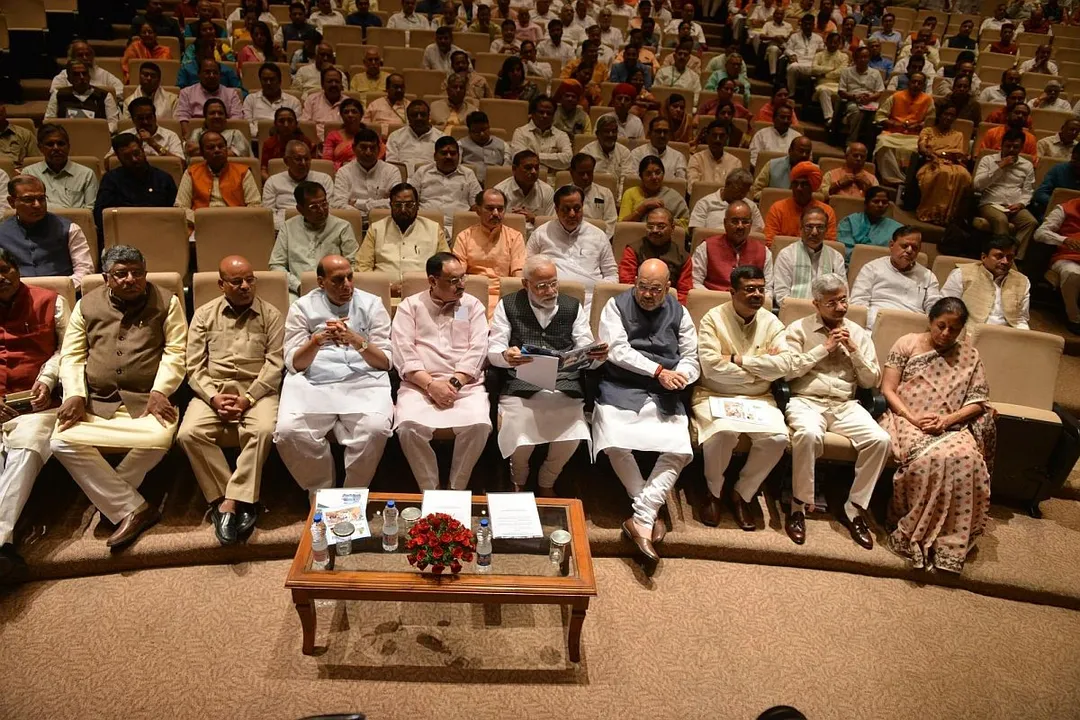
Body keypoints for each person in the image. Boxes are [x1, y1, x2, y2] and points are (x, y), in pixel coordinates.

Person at [51, 246, 186, 550]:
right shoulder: (87, 304)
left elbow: (176, 351)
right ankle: (134, 508)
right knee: (60, 441)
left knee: (158, 441)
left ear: (145, 273)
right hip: (98, 401)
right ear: (106, 277)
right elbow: (72, 355)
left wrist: (161, 390)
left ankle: (116, 502)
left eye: (137, 272)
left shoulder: (167, 301)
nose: (130, 279)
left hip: (147, 398)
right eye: (121, 274)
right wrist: (74, 394)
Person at [594, 259, 699, 568]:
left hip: (665, 390)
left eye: (655, 289)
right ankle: (649, 512)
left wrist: (681, 375)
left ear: (668, 288)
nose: (647, 294)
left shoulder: (680, 312)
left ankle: (642, 515)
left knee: (679, 447)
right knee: (612, 437)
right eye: (642, 286)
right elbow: (617, 350)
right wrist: (658, 371)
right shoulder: (616, 305)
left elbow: (691, 356)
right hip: (622, 385)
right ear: (635, 282)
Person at [880, 297, 994, 574]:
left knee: (968, 460)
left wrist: (946, 420)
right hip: (907, 418)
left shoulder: (969, 355)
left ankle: (948, 543)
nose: (945, 334)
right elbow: (888, 390)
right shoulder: (907, 344)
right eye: (940, 326)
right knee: (929, 460)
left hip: (950, 423)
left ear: (961, 330)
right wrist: (912, 418)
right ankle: (912, 530)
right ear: (930, 321)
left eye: (952, 330)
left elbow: (978, 401)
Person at [778, 273, 889, 547]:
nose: (841, 308)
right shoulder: (797, 330)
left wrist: (853, 350)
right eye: (832, 303)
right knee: (807, 434)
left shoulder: (859, 334)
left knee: (881, 440)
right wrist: (824, 349)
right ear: (816, 304)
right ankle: (798, 505)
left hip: (844, 404)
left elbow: (870, 381)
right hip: (806, 399)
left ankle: (855, 508)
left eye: (843, 300)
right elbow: (787, 371)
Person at [177, 255, 282, 544]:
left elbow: (275, 365)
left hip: (257, 390)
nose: (246, 286)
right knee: (189, 433)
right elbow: (194, 365)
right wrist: (213, 397)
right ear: (221, 284)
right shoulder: (204, 315)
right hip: (213, 389)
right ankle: (236, 498)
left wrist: (248, 398)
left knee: (262, 431)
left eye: (250, 279)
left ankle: (227, 505)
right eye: (237, 281)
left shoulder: (271, 315)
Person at [274, 254, 393, 496]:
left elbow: (385, 362)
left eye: (350, 277)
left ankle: (352, 494)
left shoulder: (372, 304)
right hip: (314, 382)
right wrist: (316, 341)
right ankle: (321, 492)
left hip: (363, 379)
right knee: (288, 431)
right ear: (321, 282)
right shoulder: (302, 307)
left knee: (376, 428)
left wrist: (355, 340)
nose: (347, 285)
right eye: (338, 280)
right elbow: (295, 363)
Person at [488, 254, 607, 494]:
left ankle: (547, 480)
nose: (549, 290)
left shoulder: (572, 306)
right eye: (541, 286)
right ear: (526, 284)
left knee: (574, 430)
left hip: (563, 385)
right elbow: (493, 349)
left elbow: (584, 345)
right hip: (521, 383)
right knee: (520, 427)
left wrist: (595, 358)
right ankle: (518, 479)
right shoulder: (508, 304)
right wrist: (506, 355)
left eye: (553, 283)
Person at [691, 264, 788, 531]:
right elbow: (711, 367)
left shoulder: (771, 321)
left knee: (777, 439)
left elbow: (785, 364)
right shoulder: (713, 318)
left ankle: (743, 493)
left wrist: (738, 360)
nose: (757, 294)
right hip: (714, 393)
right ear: (732, 292)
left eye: (761, 289)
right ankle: (714, 492)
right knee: (723, 433)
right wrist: (759, 371)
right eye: (750, 289)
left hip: (759, 399)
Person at [392, 253, 491, 490]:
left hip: (465, 385)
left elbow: (479, 348)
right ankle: (430, 489)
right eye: (453, 280)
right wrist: (430, 385)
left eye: (462, 278)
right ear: (432, 281)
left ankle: (457, 488)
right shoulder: (411, 306)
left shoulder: (470, 305)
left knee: (479, 424)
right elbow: (403, 350)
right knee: (408, 426)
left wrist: (454, 383)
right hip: (419, 385)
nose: (461, 285)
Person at [0, 248, 69, 577]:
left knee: (26, 448)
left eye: (4, 269)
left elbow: (66, 350)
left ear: (16, 269)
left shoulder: (51, 301)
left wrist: (47, 379)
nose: (0, 278)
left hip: (36, 405)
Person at [270, 179, 360, 301]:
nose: (322, 210)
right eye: (314, 207)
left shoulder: (342, 227)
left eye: (324, 204)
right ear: (300, 209)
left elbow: (353, 263)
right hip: (298, 291)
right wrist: (297, 286)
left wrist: (338, 283)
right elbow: (276, 265)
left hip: (336, 288)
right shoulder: (288, 227)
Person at [358, 183, 450, 300]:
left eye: (409, 204)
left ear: (417, 206)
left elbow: (445, 266)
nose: (403, 209)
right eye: (397, 205)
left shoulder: (434, 229)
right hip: (382, 296)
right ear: (390, 205)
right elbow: (363, 267)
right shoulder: (376, 229)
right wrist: (386, 287)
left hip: (425, 296)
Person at [527, 185, 617, 303]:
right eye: (566, 209)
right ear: (556, 209)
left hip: (589, 301)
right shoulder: (541, 234)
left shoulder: (599, 236)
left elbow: (611, 274)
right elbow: (527, 268)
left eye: (577, 208)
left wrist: (598, 296)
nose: (572, 214)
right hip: (549, 298)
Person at [453, 188, 526, 316]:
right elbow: (458, 276)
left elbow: (518, 277)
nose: (496, 213)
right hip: (468, 296)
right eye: (490, 208)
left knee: (499, 331)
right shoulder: (464, 237)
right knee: (460, 326)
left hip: (504, 298)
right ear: (478, 210)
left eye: (500, 209)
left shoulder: (515, 237)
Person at [850, 226, 941, 327]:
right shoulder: (872, 268)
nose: (909, 250)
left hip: (912, 330)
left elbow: (935, 310)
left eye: (914, 247)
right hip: (875, 326)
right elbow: (858, 304)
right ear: (891, 245)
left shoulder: (928, 276)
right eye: (905, 246)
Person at [93, 133, 179, 233]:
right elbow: (100, 216)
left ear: (143, 150)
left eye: (136, 153)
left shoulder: (163, 178)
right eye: (127, 156)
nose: (134, 159)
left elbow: (175, 214)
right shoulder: (111, 180)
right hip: (124, 233)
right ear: (119, 158)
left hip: (160, 232)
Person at [174, 131, 261, 227]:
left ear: (226, 150)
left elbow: (255, 205)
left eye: (221, 146)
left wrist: (233, 220)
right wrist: (203, 220)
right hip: (201, 226)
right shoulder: (191, 173)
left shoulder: (243, 172)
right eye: (211, 148)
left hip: (236, 225)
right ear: (202, 153)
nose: (217, 150)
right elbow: (181, 207)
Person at [974, 129, 1037, 260]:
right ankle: (999, 257)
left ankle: (1014, 257)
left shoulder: (1027, 165)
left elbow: (1028, 191)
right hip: (990, 203)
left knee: (1031, 222)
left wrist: (1021, 204)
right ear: (1001, 145)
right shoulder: (988, 160)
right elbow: (977, 185)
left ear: (1021, 148)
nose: (1012, 150)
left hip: (1014, 206)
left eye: (1016, 147)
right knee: (1001, 220)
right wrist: (1000, 166)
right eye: (1008, 146)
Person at [942, 236, 1029, 329]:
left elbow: (1021, 318)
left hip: (1007, 336)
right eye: (999, 256)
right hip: (969, 332)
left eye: (1010, 257)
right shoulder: (962, 274)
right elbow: (946, 309)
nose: (1005, 261)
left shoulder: (1022, 281)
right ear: (984, 257)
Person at [686, 201, 772, 292]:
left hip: (750, 303)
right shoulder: (706, 247)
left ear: (751, 224)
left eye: (745, 222)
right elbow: (695, 282)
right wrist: (713, 297)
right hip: (713, 300)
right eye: (735, 221)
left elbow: (768, 289)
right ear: (725, 223)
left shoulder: (764, 251)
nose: (740, 226)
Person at [909, 104, 971, 226]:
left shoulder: (958, 135)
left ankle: (949, 216)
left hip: (953, 164)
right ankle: (932, 213)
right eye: (946, 114)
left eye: (952, 115)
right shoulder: (928, 131)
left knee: (964, 175)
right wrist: (933, 155)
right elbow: (922, 147)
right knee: (942, 172)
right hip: (932, 162)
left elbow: (958, 153)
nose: (948, 118)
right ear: (940, 115)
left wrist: (941, 152)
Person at [771, 206, 847, 304]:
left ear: (826, 229)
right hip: (794, 313)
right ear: (801, 228)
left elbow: (843, 293)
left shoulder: (836, 257)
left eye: (820, 227)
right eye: (809, 227)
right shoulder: (786, 255)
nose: (814, 232)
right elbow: (781, 295)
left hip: (828, 314)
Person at [413, 136, 484, 238]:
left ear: (459, 156)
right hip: (426, 226)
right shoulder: (422, 172)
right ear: (435, 156)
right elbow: (411, 201)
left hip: (460, 228)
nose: (449, 156)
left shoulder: (468, 174)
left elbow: (476, 205)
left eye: (453, 153)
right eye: (444, 153)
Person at [873, 72, 935, 186]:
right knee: (883, 144)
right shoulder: (896, 96)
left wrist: (919, 125)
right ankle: (891, 180)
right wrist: (894, 123)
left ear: (923, 86)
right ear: (908, 83)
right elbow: (880, 116)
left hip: (915, 136)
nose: (916, 85)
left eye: (919, 83)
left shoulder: (928, 100)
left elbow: (931, 121)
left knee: (918, 149)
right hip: (892, 133)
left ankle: (907, 180)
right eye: (913, 82)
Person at [620, 207, 691, 300]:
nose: (654, 230)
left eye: (661, 226)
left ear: (672, 228)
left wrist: (675, 309)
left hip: (670, 305)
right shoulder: (633, 250)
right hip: (637, 301)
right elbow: (626, 285)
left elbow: (684, 291)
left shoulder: (683, 256)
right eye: (650, 226)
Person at [21, 125, 98, 211]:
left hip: (76, 223)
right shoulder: (29, 173)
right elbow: (27, 207)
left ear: (68, 146)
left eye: (61, 144)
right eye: (50, 144)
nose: (56, 148)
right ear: (40, 148)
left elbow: (91, 210)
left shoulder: (86, 174)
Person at [329, 127, 399, 221]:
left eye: (372, 148)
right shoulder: (344, 172)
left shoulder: (392, 171)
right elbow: (338, 204)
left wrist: (358, 203)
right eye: (363, 147)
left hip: (384, 222)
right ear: (354, 148)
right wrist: (378, 205)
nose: (368, 152)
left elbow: (397, 202)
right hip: (352, 223)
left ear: (379, 149)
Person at [263, 139, 333, 232]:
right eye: (298, 159)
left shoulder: (324, 179)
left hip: (318, 228)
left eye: (307, 159)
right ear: (286, 161)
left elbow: (331, 209)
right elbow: (268, 214)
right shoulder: (273, 182)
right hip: (283, 229)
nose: (303, 163)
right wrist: (291, 228)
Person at [1034, 196, 1080, 332]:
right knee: (1072, 273)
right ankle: (1075, 317)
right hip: (1067, 257)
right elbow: (1040, 233)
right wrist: (1064, 240)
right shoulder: (1064, 209)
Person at [763, 162, 837, 245]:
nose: (798, 188)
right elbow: (769, 241)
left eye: (804, 184)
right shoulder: (777, 208)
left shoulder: (827, 211)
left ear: (812, 187)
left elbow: (830, 243)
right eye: (795, 184)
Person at [44, 61, 120, 134]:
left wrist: (102, 133)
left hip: (97, 137)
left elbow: (113, 123)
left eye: (84, 73)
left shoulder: (105, 96)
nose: (82, 77)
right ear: (69, 79)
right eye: (76, 74)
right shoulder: (58, 95)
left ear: (89, 76)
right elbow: (49, 120)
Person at [176, 59, 245, 138]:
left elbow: (236, 119)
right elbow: (183, 117)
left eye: (215, 73)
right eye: (207, 72)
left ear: (220, 75)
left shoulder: (231, 94)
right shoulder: (186, 93)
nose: (212, 75)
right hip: (196, 136)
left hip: (225, 137)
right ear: (199, 74)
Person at [619, 155, 690, 231]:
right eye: (648, 174)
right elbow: (621, 226)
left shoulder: (674, 197)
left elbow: (686, 227)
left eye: (658, 172)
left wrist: (662, 218)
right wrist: (643, 207)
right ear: (641, 176)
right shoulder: (630, 193)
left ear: (663, 174)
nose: (654, 177)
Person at [495, 150, 556, 231]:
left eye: (536, 168)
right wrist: (512, 219)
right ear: (514, 169)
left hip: (539, 236)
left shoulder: (547, 191)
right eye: (528, 168)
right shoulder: (499, 191)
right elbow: (493, 222)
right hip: (508, 236)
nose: (534, 172)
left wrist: (534, 219)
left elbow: (553, 224)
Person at [837, 185, 903, 260]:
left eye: (884, 202)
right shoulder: (849, 222)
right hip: (852, 264)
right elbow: (845, 250)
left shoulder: (897, 228)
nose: (880, 205)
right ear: (866, 204)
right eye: (876, 201)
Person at [510, 95, 573, 173]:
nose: (545, 116)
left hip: (553, 182)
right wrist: (554, 163)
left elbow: (568, 159)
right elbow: (519, 160)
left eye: (549, 113)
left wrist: (537, 156)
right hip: (526, 180)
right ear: (532, 113)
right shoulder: (520, 132)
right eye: (541, 112)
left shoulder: (561, 135)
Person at [689, 169, 765, 233]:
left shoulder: (751, 206)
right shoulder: (705, 203)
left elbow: (759, 231)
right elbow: (696, 232)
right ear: (727, 185)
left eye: (744, 192)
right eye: (738, 191)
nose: (741, 196)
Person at [834, 46, 884, 142]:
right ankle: (851, 141)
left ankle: (868, 145)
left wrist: (869, 98)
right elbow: (841, 91)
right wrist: (854, 96)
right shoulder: (846, 72)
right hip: (852, 101)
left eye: (866, 57)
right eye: (860, 57)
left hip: (869, 101)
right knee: (857, 112)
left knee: (876, 116)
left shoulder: (876, 73)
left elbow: (879, 91)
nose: (863, 60)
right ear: (855, 59)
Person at [386, 100, 447, 176]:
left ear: (429, 116)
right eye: (414, 115)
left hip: (432, 180)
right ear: (408, 117)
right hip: (403, 182)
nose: (419, 118)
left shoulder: (442, 138)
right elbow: (392, 165)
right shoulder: (395, 136)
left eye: (423, 114)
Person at [50, 40, 124, 98]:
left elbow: (121, 90)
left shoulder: (103, 74)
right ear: (72, 57)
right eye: (80, 55)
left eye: (87, 54)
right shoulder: (62, 76)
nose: (85, 58)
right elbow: (54, 93)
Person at [186, 98, 253, 160]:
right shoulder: (198, 132)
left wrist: (206, 150)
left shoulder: (235, 133)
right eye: (212, 113)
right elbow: (191, 150)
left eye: (220, 113)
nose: (217, 116)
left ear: (225, 117)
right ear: (205, 117)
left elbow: (241, 155)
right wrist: (227, 150)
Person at [260, 107, 316, 181]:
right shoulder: (269, 144)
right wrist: (273, 183)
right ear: (275, 124)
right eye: (281, 121)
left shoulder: (305, 142)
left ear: (296, 124)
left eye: (290, 121)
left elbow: (314, 168)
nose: (286, 125)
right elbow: (263, 171)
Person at [687, 121, 743, 195]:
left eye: (721, 136)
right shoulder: (696, 159)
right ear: (707, 137)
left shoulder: (735, 163)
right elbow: (692, 188)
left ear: (727, 139)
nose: (717, 140)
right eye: (714, 135)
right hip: (702, 202)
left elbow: (736, 190)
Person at [625, 117, 688, 182]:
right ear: (649, 134)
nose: (662, 135)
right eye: (658, 131)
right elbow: (633, 181)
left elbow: (681, 184)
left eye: (665, 132)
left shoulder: (678, 157)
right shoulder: (637, 154)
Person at [459, 111, 511, 185]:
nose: (482, 134)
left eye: (484, 129)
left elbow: (506, 169)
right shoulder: (460, 144)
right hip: (468, 183)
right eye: (477, 132)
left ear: (489, 127)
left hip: (497, 184)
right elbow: (457, 168)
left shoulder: (503, 144)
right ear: (469, 131)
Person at [1031, 144, 1080, 221]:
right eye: (1075, 160)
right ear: (1072, 157)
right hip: (1054, 213)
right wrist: (1059, 205)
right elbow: (1040, 193)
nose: (1078, 164)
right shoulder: (1058, 169)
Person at [811, 32, 850, 126]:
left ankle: (839, 120)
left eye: (835, 42)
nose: (833, 45)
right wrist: (831, 69)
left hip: (838, 85)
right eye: (831, 42)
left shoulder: (844, 56)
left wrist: (824, 74)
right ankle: (830, 119)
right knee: (824, 91)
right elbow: (814, 69)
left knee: (843, 94)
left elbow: (841, 72)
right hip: (822, 84)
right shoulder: (819, 55)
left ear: (839, 44)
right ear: (826, 42)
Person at [748, 104, 802, 169]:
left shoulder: (798, 137)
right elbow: (753, 158)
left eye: (788, 118)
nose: (786, 121)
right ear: (774, 118)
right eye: (782, 117)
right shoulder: (761, 134)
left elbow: (803, 160)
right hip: (765, 172)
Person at [783, 14, 826, 93]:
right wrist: (792, 54)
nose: (807, 26)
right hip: (798, 61)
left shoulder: (818, 38)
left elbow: (823, 52)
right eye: (805, 24)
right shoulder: (794, 36)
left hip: (812, 64)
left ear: (813, 25)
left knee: (822, 69)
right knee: (792, 67)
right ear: (801, 25)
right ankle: (791, 93)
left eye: (810, 24)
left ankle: (814, 95)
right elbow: (787, 49)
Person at [581, 115, 632, 181]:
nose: (610, 135)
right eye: (606, 131)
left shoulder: (624, 152)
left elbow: (625, 180)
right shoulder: (586, 153)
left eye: (614, 131)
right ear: (597, 134)